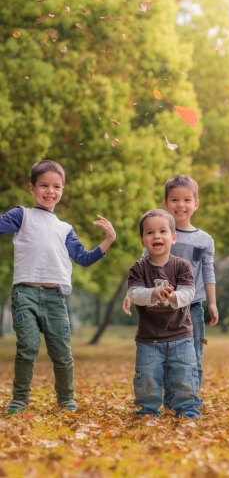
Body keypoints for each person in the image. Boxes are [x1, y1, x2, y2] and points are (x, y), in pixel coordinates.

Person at [0, 160, 116, 414]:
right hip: (25, 294)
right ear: (32, 188)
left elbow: (84, 258)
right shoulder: (22, 215)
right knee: (27, 347)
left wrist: (108, 240)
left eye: (56, 186)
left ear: (62, 190)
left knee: (62, 352)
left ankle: (66, 399)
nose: (50, 191)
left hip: (55, 297)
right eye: (44, 185)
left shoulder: (65, 229)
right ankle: (19, 400)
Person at [123, 175, 218, 408]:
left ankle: (188, 399)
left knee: (192, 355)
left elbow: (208, 272)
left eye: (187, 199)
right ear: (166, 203)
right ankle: (167, 398)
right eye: (174, 199)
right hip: (159, 307)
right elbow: (141, 270)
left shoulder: (204, 240)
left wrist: (212, 303)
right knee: (163, 354)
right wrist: (130, 294)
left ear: (196, 203)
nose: (181, 204)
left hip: (192, 305)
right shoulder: (158, 230)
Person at [127, 208, 200, 418]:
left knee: (184, 375)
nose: (156, 236)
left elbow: (189, 292)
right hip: (149, 339)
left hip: (181, 336)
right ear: (142, 240)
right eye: (150, 233)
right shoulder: (138, 268)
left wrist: (173, 296)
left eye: (162, 231)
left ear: (173, 237)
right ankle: (148, 410)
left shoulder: (181, 266)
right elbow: (134, 293)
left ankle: (186, 409)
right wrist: (154, 292)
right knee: (147, 377)